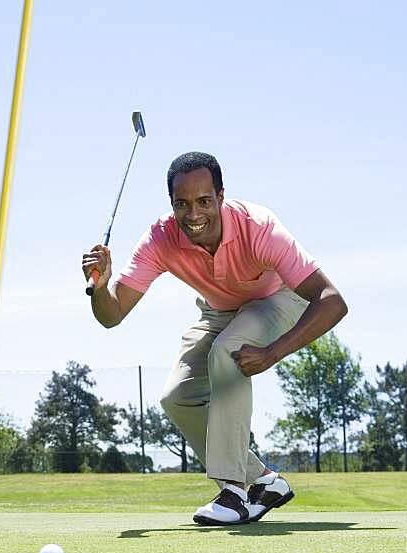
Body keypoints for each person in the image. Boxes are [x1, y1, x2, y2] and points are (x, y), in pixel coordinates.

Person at [82, 151, 348, 525]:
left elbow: (332, 301)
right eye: (182, 204)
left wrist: (272, 353)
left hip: (278, 299)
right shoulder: (161, 238)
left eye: (204, 201)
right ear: (171, 204)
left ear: (221, 196)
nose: (194, 214)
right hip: (220, 311)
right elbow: (113, 315)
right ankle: (264, 481)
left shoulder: (258, 226)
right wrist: (101, 286)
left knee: (228, 351)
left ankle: (234, 493)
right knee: (177, 397)